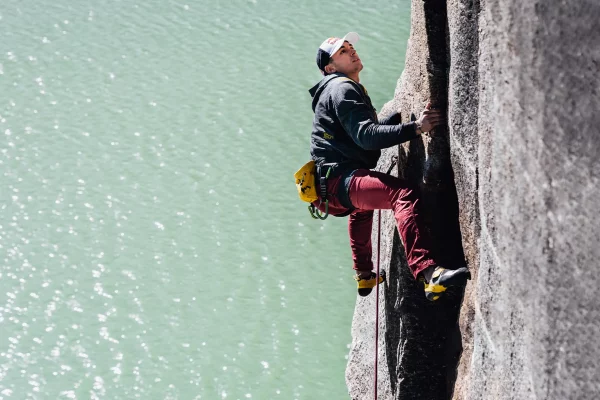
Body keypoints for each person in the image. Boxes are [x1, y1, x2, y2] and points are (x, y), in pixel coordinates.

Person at [307, 32, 470, 301]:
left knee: (361, 210)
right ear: (330, 68)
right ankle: (430, 274)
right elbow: (366, 137)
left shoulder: (334, 91)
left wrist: (391, 121)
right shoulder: (342, 88)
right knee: (403, 194)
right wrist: (417, 127)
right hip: (341, 182)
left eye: (350, 47)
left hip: (330, 189)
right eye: (343, 52)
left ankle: (364, 275)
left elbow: (356, 133)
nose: (352, 51)